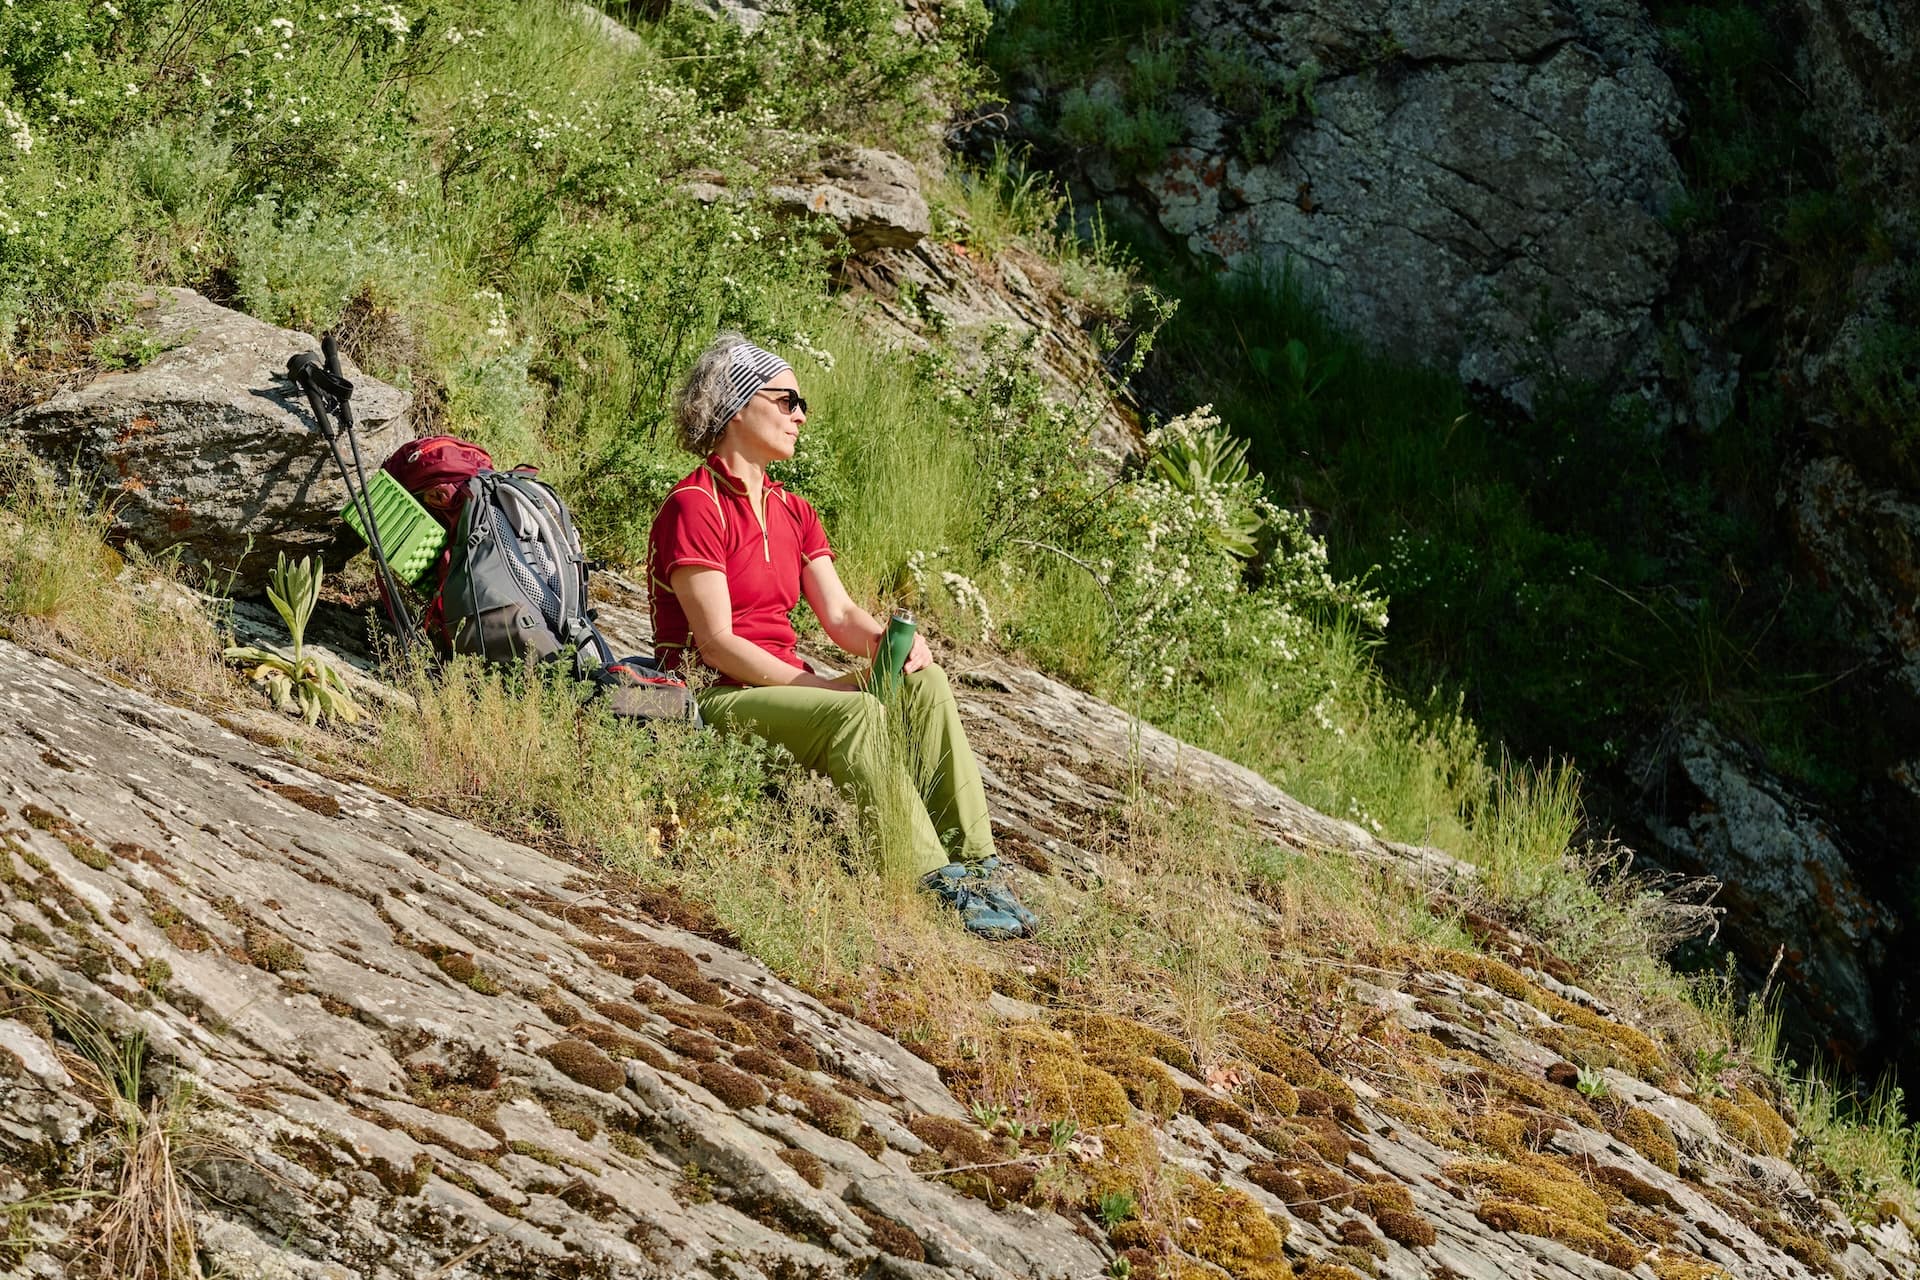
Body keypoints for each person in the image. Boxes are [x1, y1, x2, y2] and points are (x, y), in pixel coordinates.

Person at [646, 332, 1035, 938]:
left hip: (781, 688)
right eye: (787, 400)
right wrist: (824, 687)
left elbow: (840, 615)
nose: (800, 414)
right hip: (712, 695)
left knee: (925, 683)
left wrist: (886, 644)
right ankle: (932, 885)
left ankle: (977, 867)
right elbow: (717, 643)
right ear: (737, 404)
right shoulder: (694, 506)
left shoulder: (793, 510)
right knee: (855, 716)